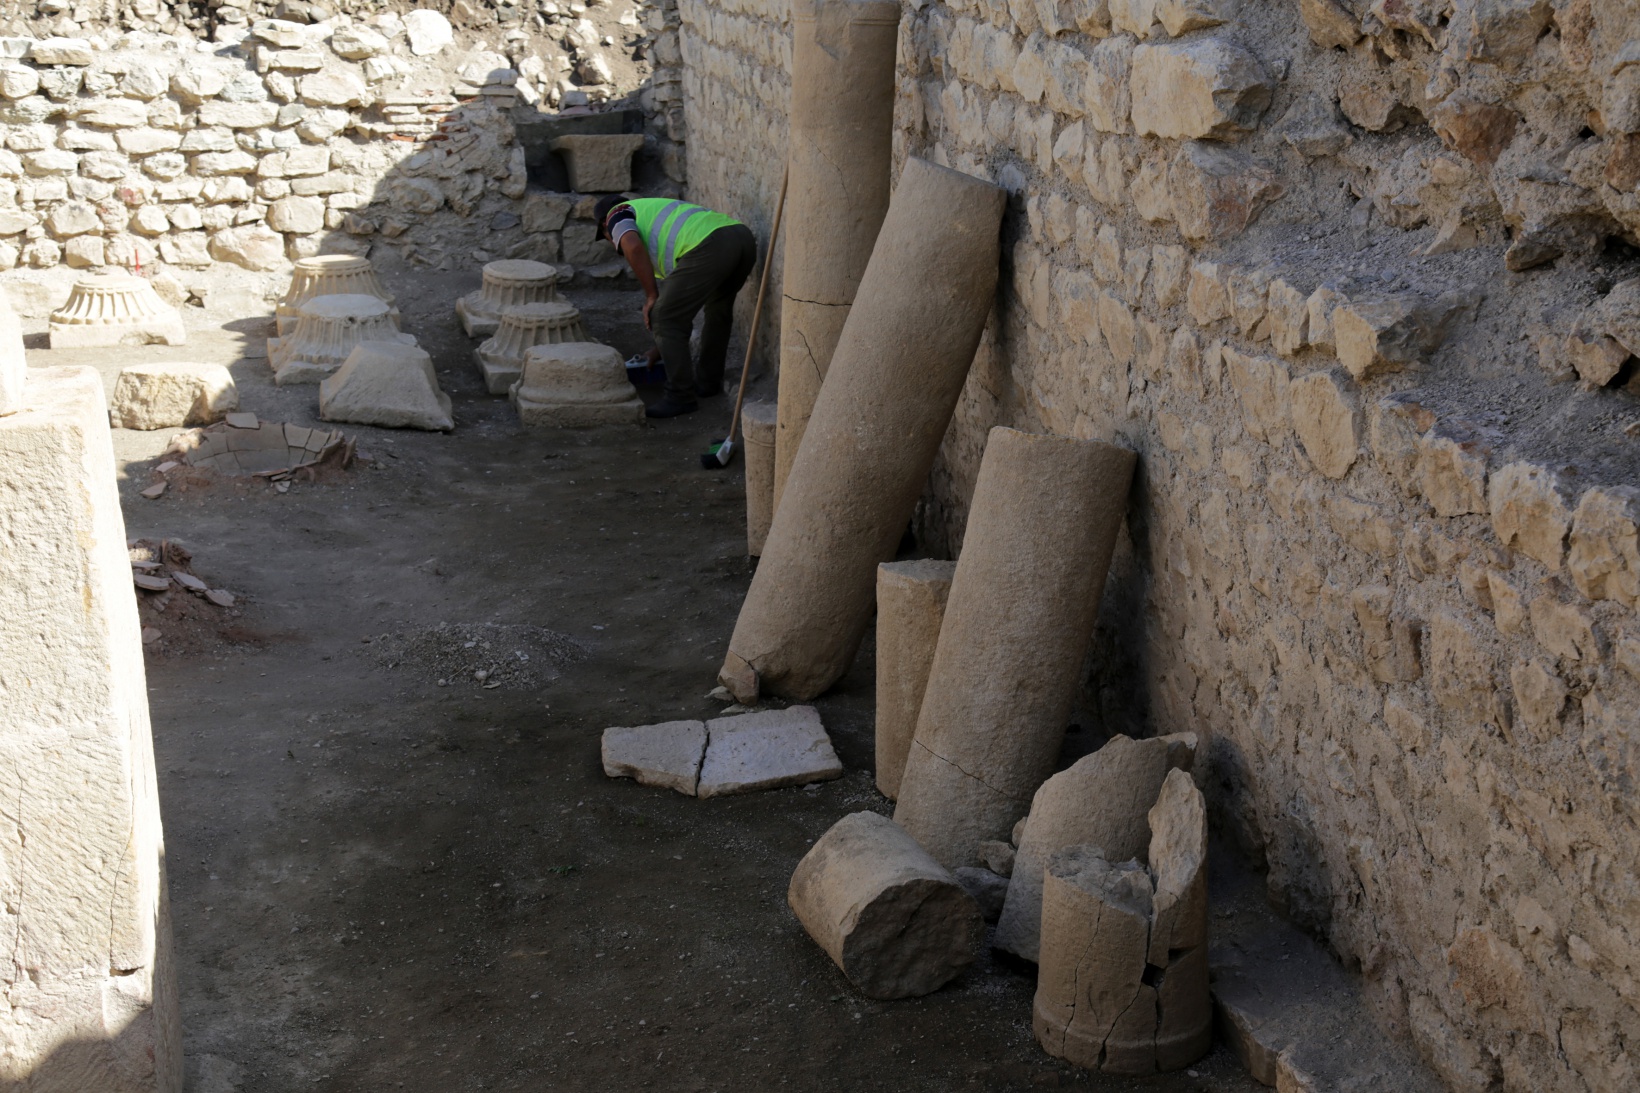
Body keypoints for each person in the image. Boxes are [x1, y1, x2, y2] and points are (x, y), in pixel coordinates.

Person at [594, 194, 758, 418]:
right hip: (741, 238)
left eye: (607, 237)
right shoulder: (655, 213)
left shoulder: (617, 213)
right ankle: (707, 383)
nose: (613, 241)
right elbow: (683, 311)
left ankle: (679, 396)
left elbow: (632, 246)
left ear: (604, 224)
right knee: (717, 311)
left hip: (711, 245)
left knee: (663, 316)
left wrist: (651, 295)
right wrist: (660, 350)